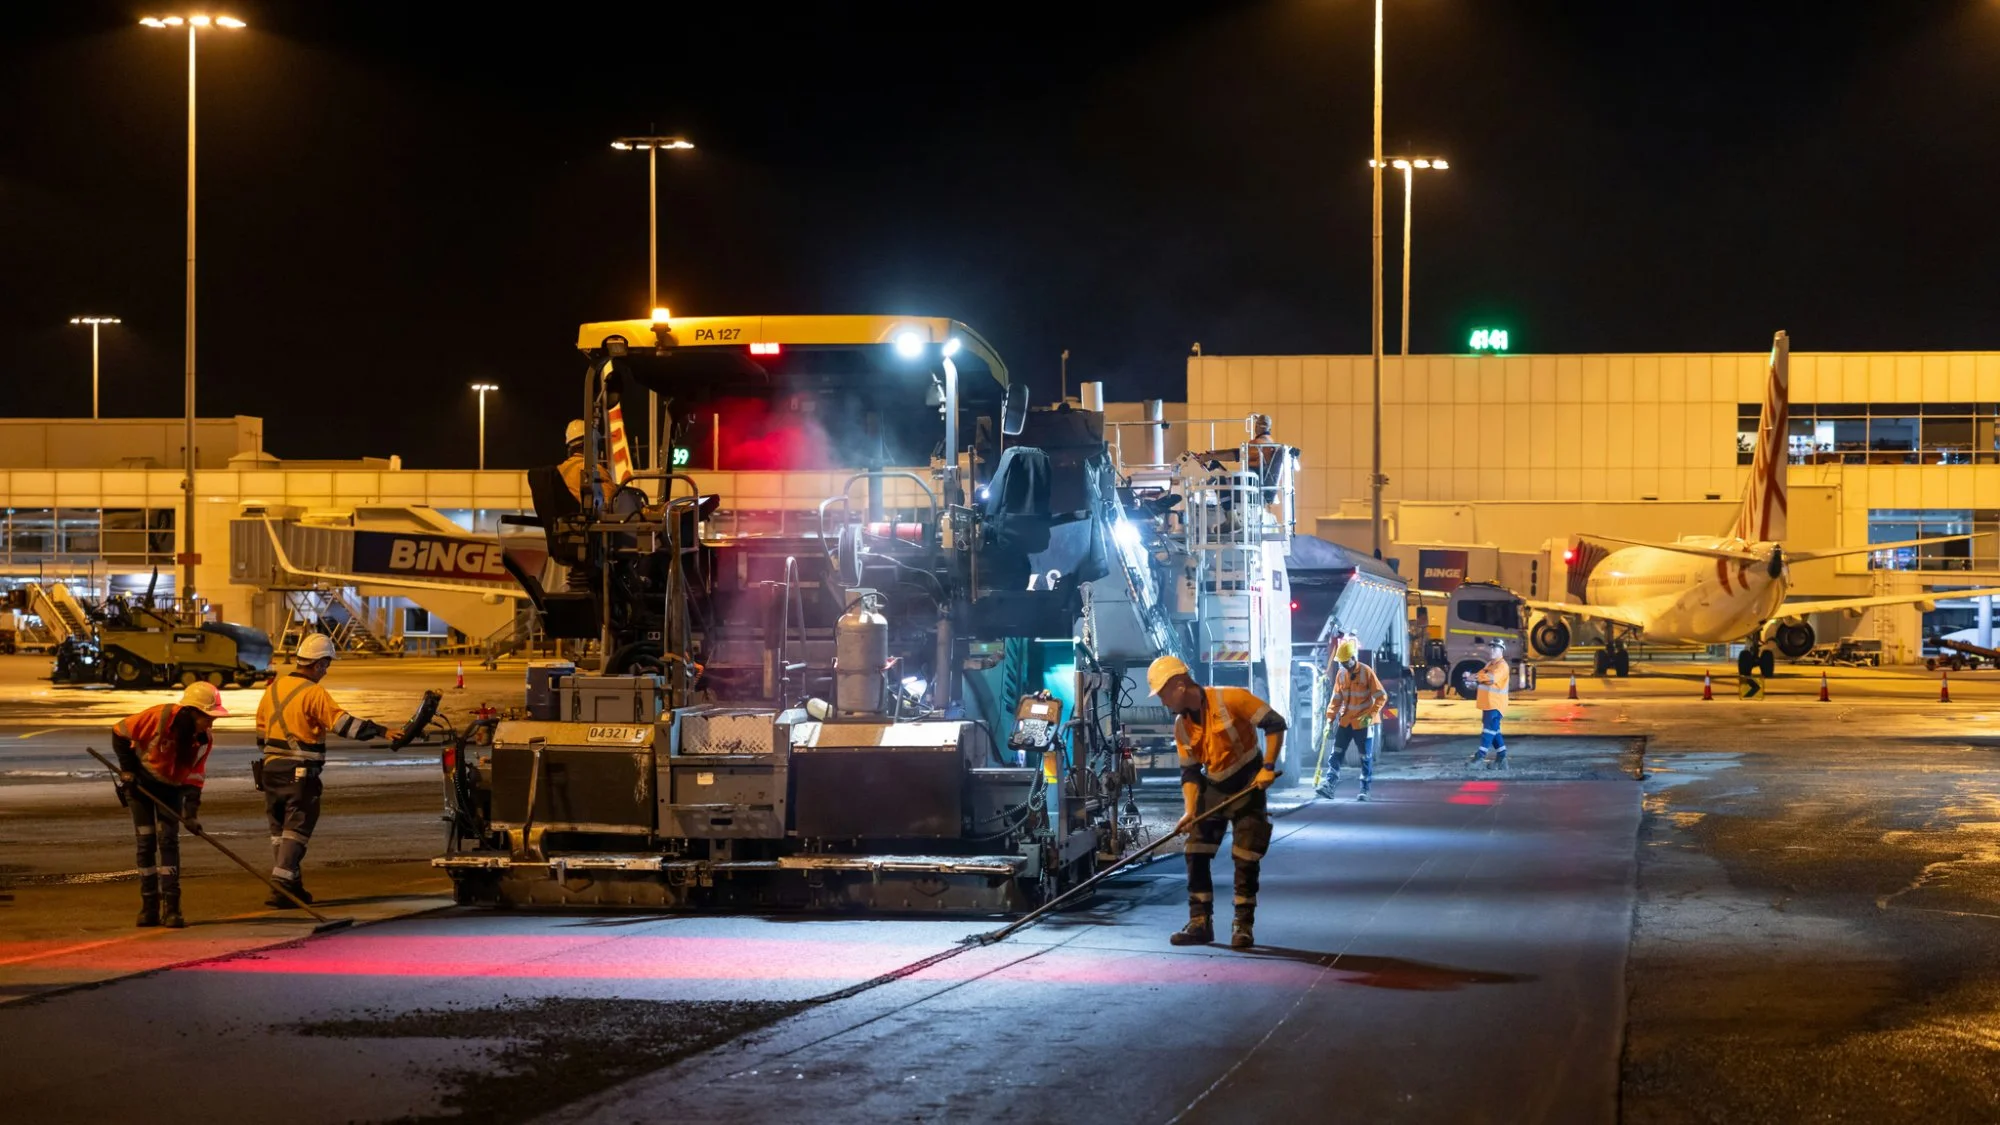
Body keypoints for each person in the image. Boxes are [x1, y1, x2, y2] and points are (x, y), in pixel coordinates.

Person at [1148, 655, 1285, 950]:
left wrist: (1268, 767)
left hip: (1248, 782)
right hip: (1214, 786)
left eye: (1163, 693)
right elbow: (1190, 773)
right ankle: (1200, 922)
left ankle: (1243, 926)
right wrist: (1189, 811)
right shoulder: (1182, 726)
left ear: (1179, 685)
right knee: (1195, 850)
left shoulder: (1232, 698)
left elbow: (1275, 724)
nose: (1162, 701)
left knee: (1246, 856)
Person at [255, 633, 393, 907]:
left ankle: (291, 887)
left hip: (270, 770)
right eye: (326, 665)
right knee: (298, 826)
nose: (326, 671)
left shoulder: (273, 690)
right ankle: (281, 882)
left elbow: (261, 735)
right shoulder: (313, 692)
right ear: (318, 664)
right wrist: (381, 730)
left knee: (280, 830)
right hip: (299, 772)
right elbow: (343, 725)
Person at [112, 682, 228, 928]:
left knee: (168, 841)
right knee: (146, 842)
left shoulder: (203, 740)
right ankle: (149, 906)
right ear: (192, 712)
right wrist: (128, 770)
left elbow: (194, 779)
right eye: (208, 718)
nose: (211, 724)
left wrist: (191, 814)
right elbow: (120, 732)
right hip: (141, 786)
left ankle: (172, 908)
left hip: (172, 790)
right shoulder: (159, 717)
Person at [1319, 637, 1388, 801]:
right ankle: (1329, 785)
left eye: (1345, 661)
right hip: (1346, 721)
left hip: (1363, 723)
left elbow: (1381, 697)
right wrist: (1329, 720)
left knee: (1365, 757)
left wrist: (1370, 715)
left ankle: (1365, 790)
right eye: (1341, 662)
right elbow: (1336, 699)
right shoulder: (1341, 674)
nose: (1343, 664)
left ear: (1352, 657)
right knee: (1336, 753)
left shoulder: (1366, 672)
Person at [1468, 638, 1511, 769]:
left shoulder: (1502, 666)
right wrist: (1472, 677)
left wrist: (1475, 677)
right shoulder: (1490, 665)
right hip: (1488, 704)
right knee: (1494, 731)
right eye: (1491, 647)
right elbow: (1481, 676)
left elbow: (1492, 678)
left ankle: (1479, 757)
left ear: (1501, 650)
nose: (1491, 650)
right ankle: (1502, 758)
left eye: (1495, 648)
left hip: (1495, 704)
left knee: (1488, 730)